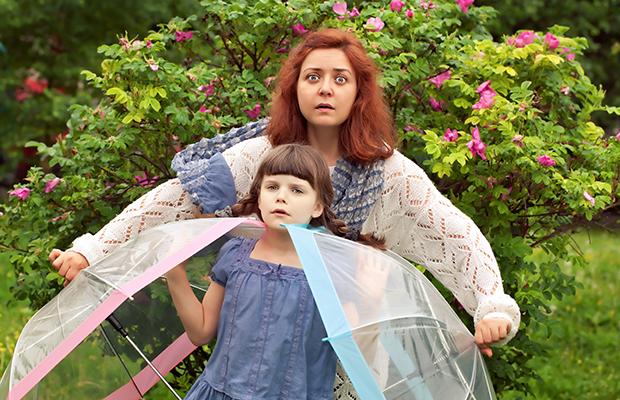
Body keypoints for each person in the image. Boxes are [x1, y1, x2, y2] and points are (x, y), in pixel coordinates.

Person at [50, 28, 520, 397]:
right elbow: (171, 201)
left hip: (346, 352)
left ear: (359, 93)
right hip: (255, 353)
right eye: (312, 77)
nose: (325, 89)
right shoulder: (262, 155)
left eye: (341, 79)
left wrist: (490, 305)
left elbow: (454, 234)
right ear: (295, 88)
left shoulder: (388, 172)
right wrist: (94, 250)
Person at [166, 144, 349, 399]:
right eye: (272, 187)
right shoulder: (235, 254)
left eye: (296, 189)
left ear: (317, 206)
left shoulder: (331, 271)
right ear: (259, 197)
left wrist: (371, 296)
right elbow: (201, 331)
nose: (281, 196)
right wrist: (175, 274)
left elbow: (356, 347)